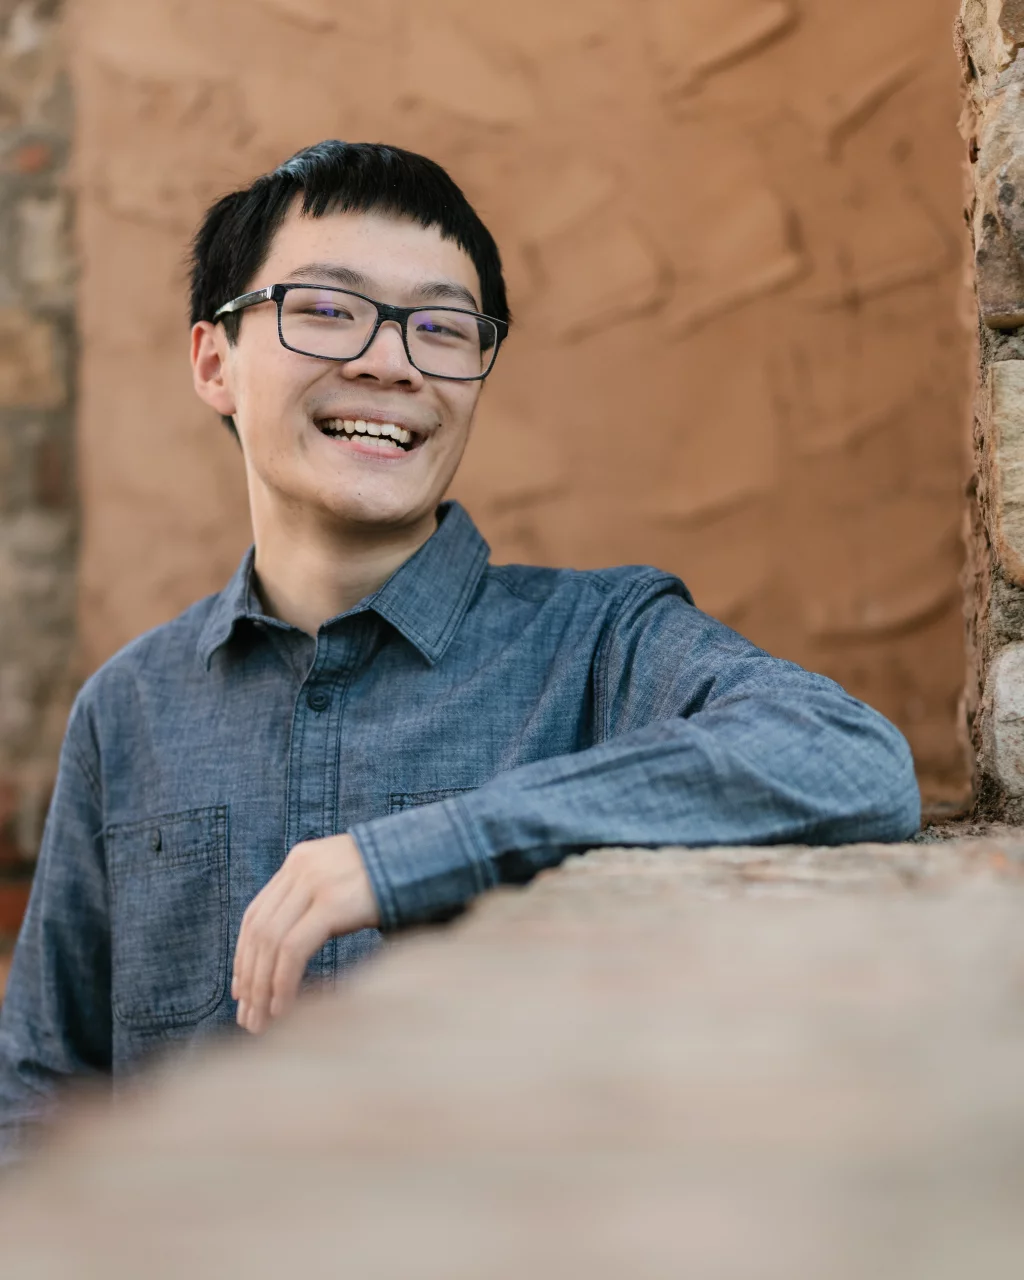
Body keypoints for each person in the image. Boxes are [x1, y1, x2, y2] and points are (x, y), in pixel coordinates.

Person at [0, 140, 919, 1156]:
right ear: (214, 361)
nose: (390, 361)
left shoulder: (597, 643)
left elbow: (848, 755)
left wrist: (419, 854)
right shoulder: (127, 709)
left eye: (441, 327)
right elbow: (41, 1089)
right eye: (326, 308)